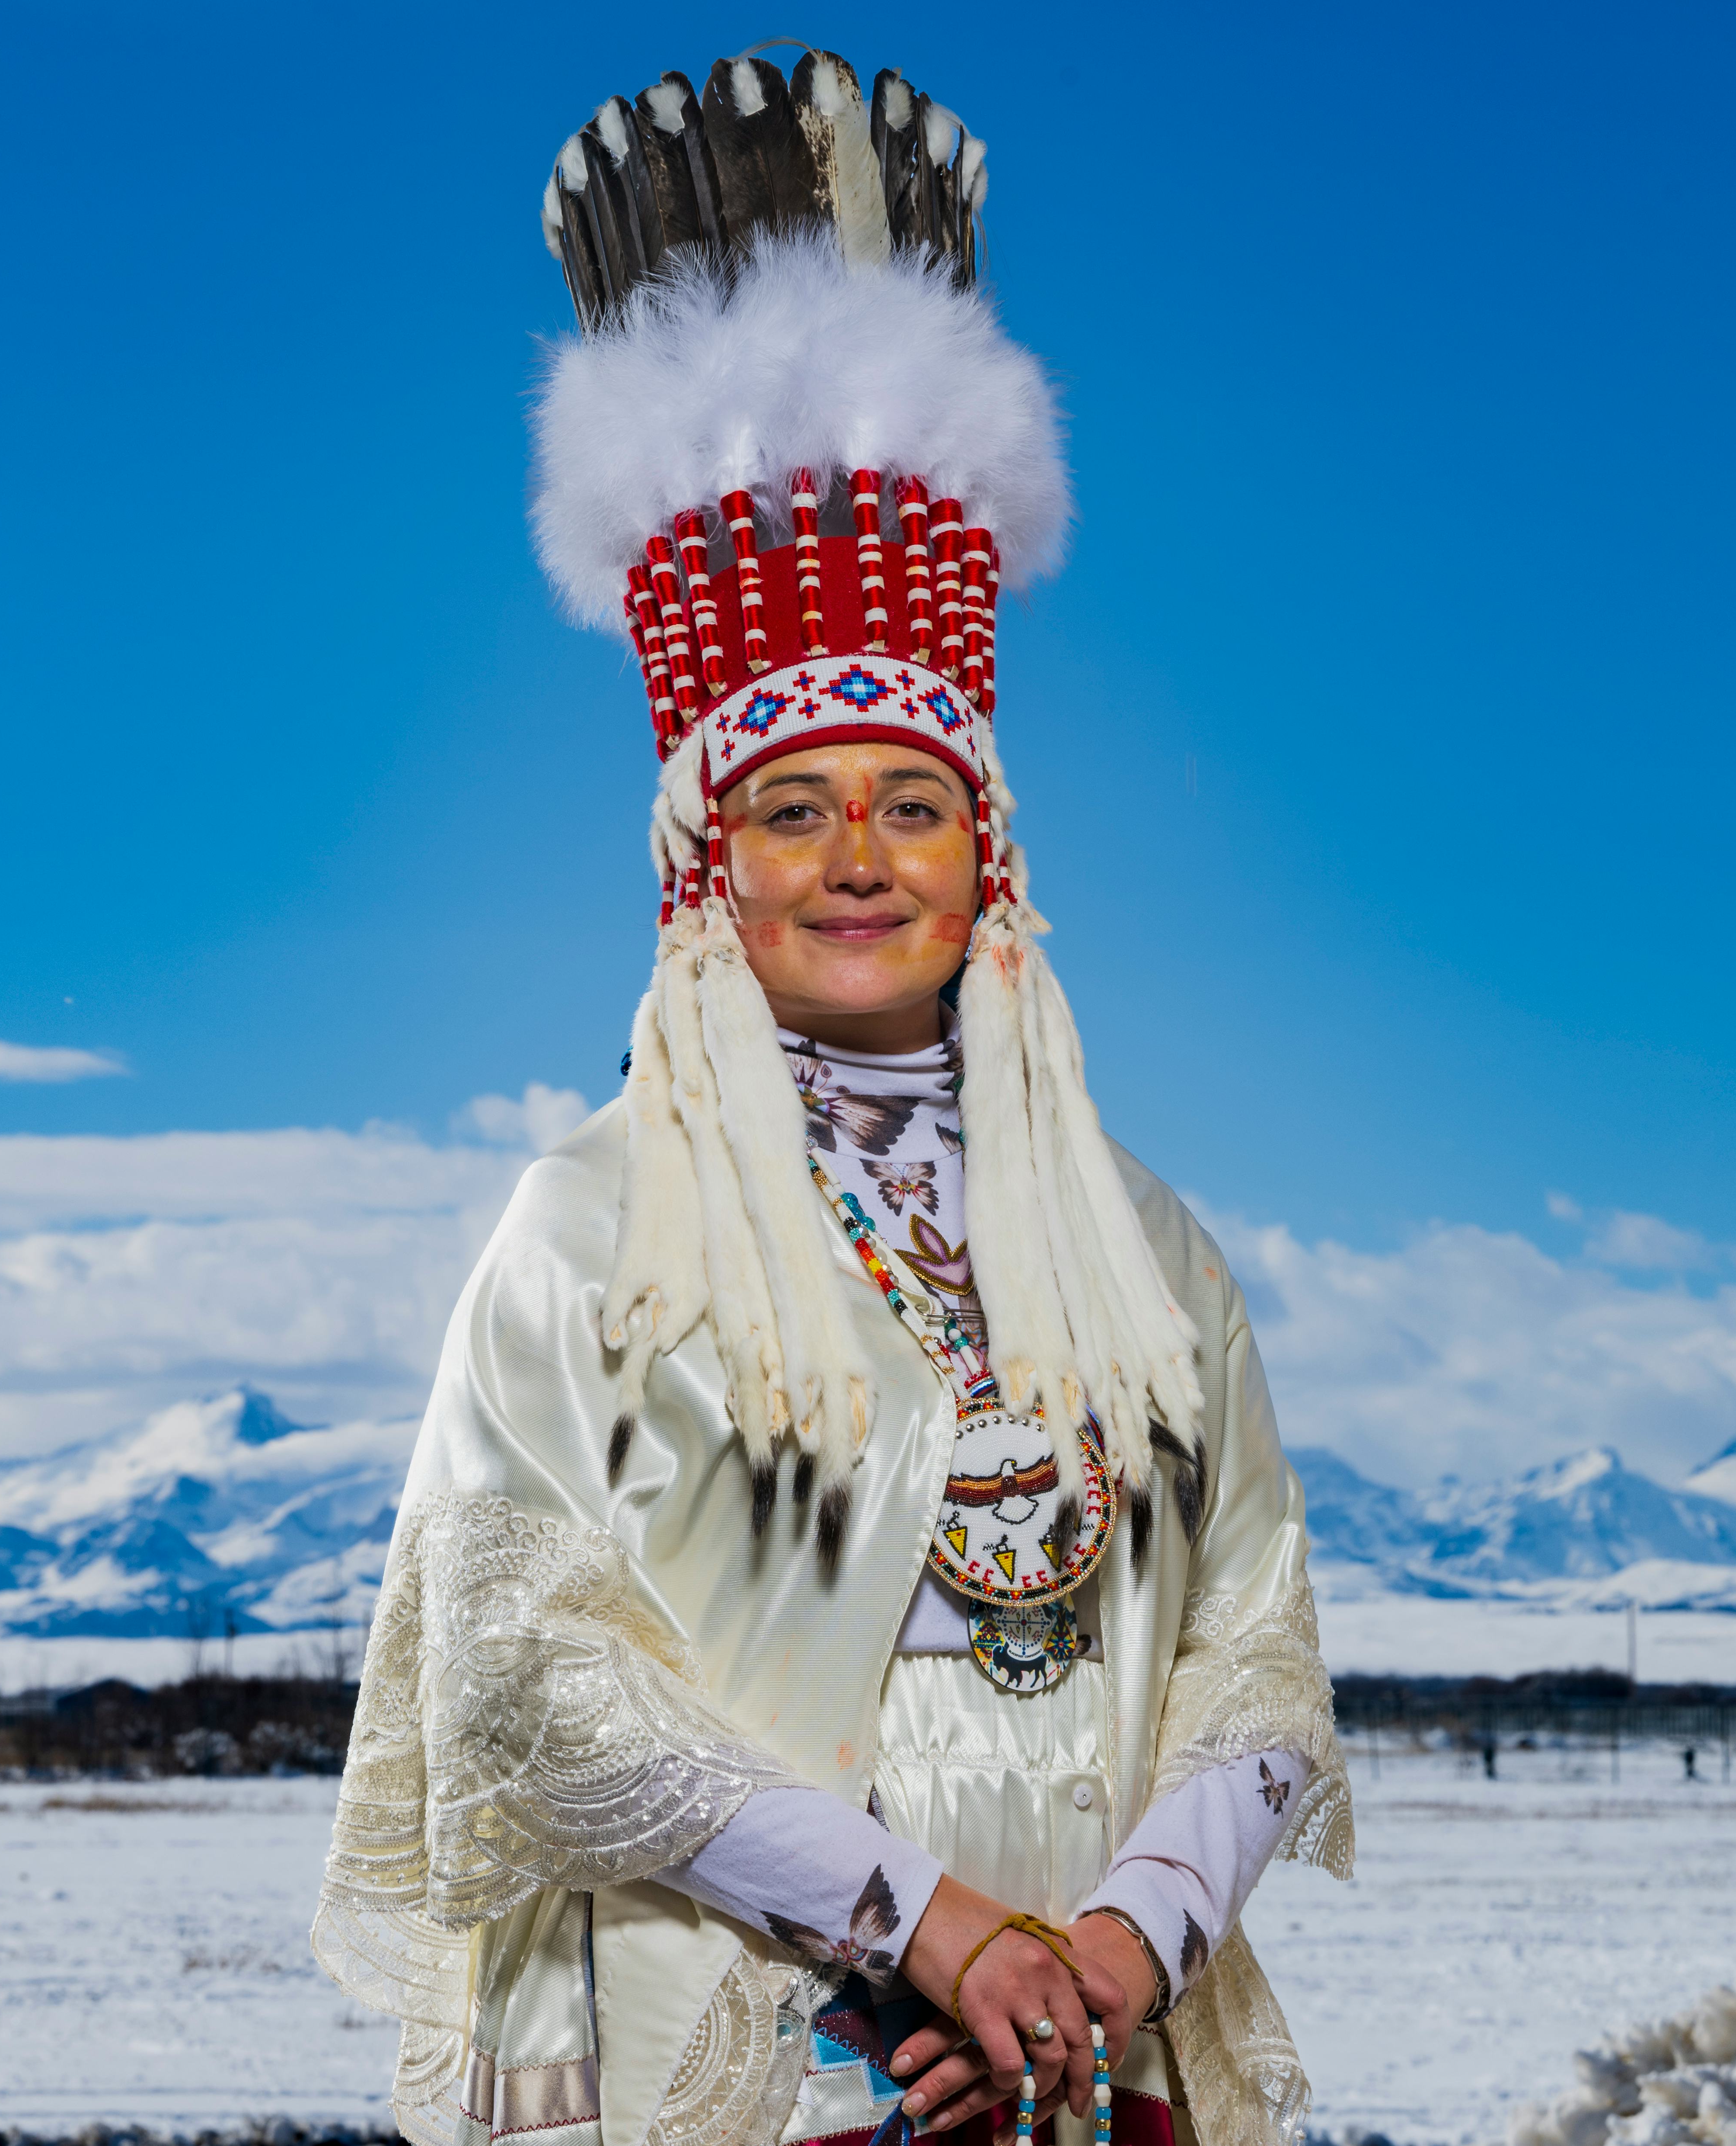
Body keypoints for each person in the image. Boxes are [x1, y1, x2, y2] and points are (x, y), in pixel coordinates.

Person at [314, 47, 1350, 2146]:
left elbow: (1252, 1645)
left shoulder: (1146, 1250)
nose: (857, 856)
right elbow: (524, 1669)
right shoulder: (590, 1225)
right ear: (706, 864)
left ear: (994, 857)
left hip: (1088, 2042)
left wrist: (1107, 1950)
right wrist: (919, 1925)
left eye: (908, 801)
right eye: (790, 806)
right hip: (751, 2059)